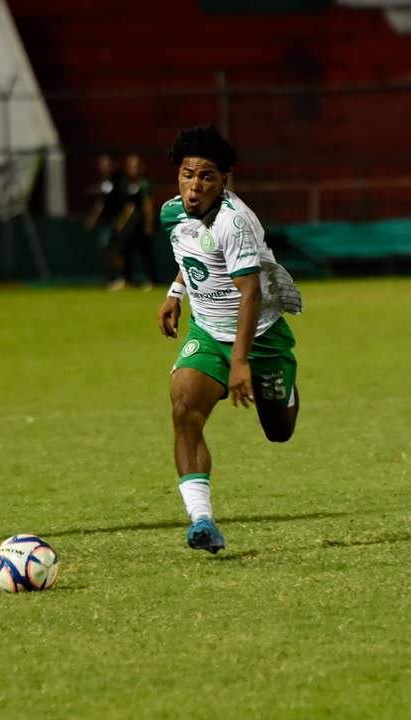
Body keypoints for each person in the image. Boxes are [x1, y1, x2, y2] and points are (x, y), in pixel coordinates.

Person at [156, 125, 304, 554]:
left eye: (206, 177)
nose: (195, 185)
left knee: (279, 431)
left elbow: (250, 294)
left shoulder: (234, 222)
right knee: (184, 407)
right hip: (207, 331)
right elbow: (192, 252)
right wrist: (175, 292)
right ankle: (201, 519)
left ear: (224, 181)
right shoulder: (172, 213)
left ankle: (284, 389)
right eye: (187, 174)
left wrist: (241, 363)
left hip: (259, 336)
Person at [85, 151, 128, 290]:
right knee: (105, 248)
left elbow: (127, 203)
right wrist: (93, 218)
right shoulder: (105, 181)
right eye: (102, 165)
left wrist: (122, 221)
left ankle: (122, 277)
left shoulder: (120, 180)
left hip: (116, 221)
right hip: (105, 221)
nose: (104, 167)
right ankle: (113, 276)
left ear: (113, 165)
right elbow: (101, 203)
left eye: (107, 164)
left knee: (114, 249)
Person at [117, 153, 159, 289]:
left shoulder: (145, 184)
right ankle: (126, 279)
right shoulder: (128, 185)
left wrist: (149, 224)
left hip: (141, 224)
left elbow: (148, 205)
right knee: (127, 251)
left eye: (135, 166)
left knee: (146, 253)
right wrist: (122, 222)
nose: (132, 169)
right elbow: (128, 207)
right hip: (131, 225)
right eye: (130, 166)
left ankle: (151, 280)